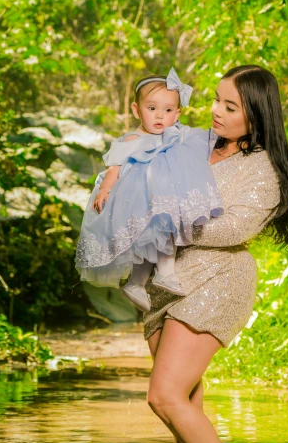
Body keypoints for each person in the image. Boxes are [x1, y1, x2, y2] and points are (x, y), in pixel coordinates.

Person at [144, 64, 288, 443]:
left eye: (230, 107)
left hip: (218, 278)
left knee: (165, 395)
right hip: (167, 278)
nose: (215, 111)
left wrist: (172, 223)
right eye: (215, 99)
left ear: (255, 117)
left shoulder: (263, 168)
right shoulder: (196, 145)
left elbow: (235, 228)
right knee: (185, 401)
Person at [75, 69, 223, 311]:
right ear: (136, 110)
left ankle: (147, 279)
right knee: (146, 241)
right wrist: (104, 190)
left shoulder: (175, 135)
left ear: (177, 114)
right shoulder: (131, 140)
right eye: (151, 108)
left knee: (160, 236)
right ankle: (141, 280)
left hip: (164, 199)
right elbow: (114, 168)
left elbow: (200, 140)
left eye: (167, 110)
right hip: (138, 200)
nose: (159, 116)